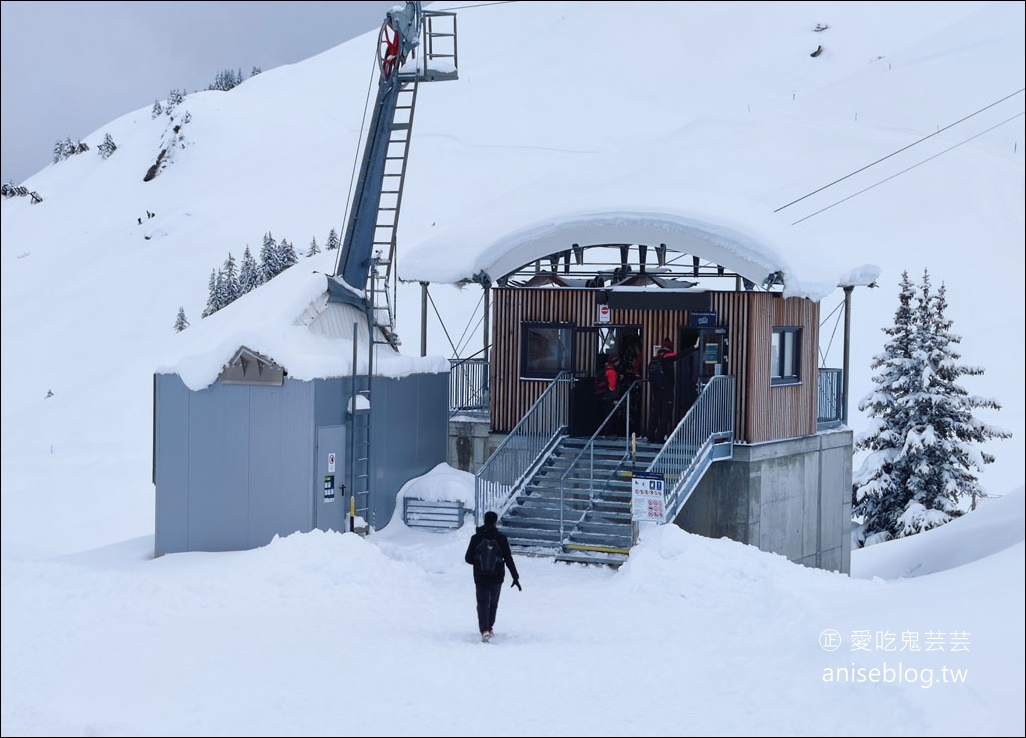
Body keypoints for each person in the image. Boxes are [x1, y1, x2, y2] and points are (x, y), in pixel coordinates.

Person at [464, 510, 521, 642]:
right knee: (493, 602)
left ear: (484, 520)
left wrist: (479, 562)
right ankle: (489, 627)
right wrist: (515, 576)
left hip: (480, 576)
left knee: (482, 602)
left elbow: (468, 558)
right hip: (497, 576)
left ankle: (484, 630)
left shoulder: (476, 538)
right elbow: (508, 558)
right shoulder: (501, 538)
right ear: (496, 522)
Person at [646, 345, 680, 444]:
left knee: (655, 413)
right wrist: (694, 348)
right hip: (667, 391)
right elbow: (680, 355)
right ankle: (659, 437)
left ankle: (650, 435)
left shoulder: (654, 360)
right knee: (665, 415)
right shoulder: (668, 358)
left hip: (656, 391)